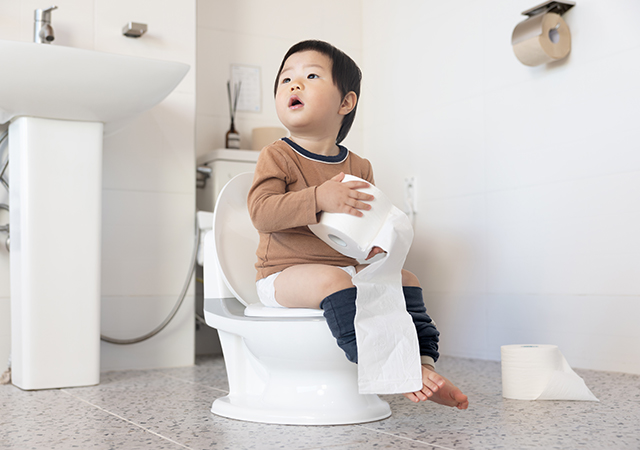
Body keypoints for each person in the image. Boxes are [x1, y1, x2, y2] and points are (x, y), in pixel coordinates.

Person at [247, 40, 468, 409]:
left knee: (405, 278)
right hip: (283, 276)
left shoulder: (359, 166)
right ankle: (392, 368)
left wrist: (377, 246)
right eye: (285, 79)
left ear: (345, 103)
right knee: (333, 280)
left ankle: (424, 362)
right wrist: (318, 198)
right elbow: (261, 212)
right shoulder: (277, 156)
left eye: (311, 76)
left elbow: (370, 224)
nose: (294, 84)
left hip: (346, 271)